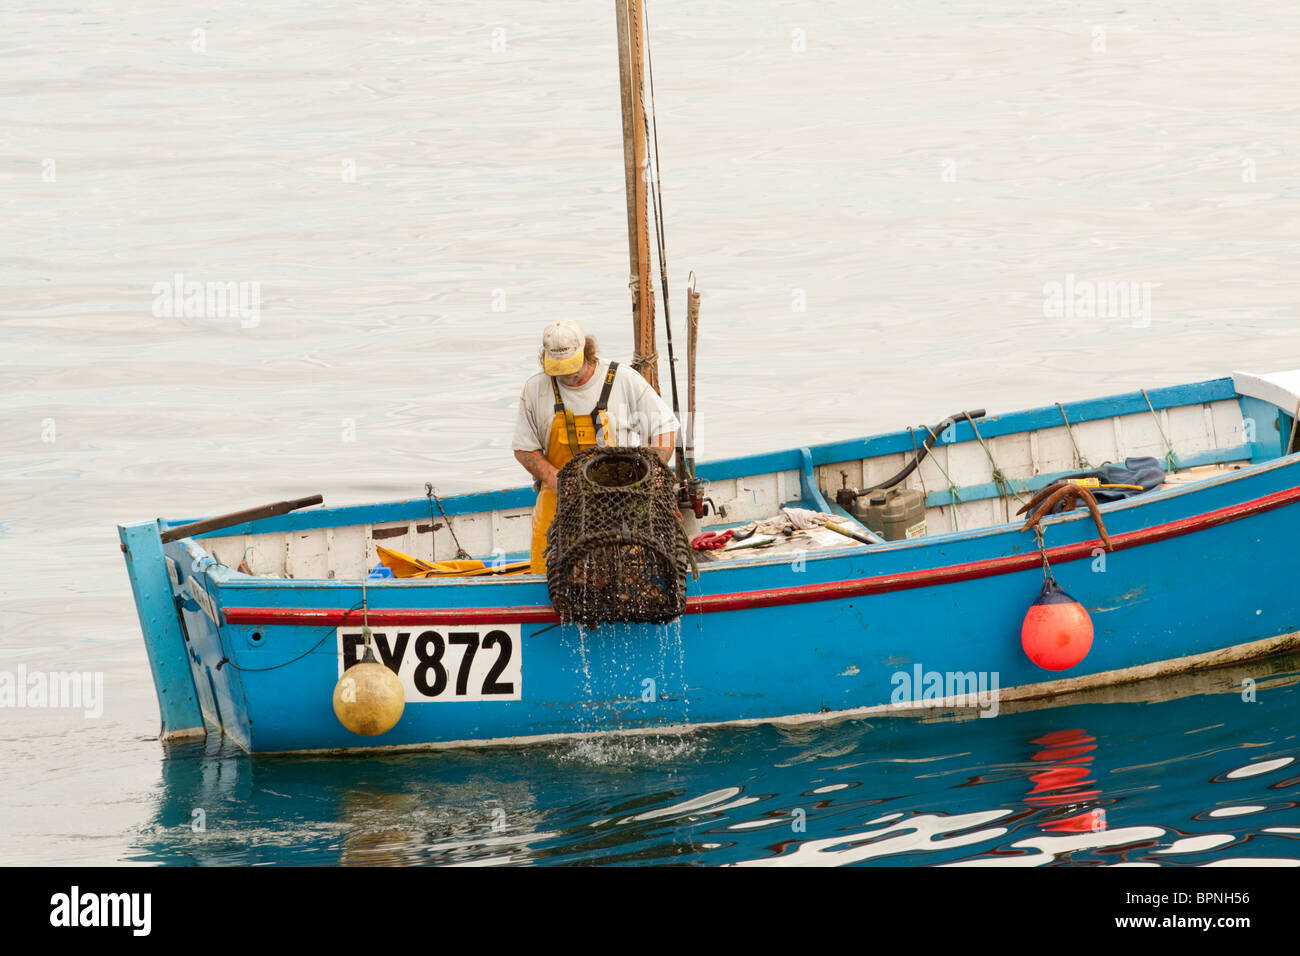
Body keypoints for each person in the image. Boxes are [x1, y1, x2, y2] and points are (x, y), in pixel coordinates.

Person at [513, 320, 678, 573]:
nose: (566, 375)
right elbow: (524, 449)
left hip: (621, 501)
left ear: (587, 352)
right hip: (559, 503)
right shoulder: (536, 389)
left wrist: (652, 471)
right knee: (548, 576)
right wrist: (558, 479)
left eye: (570, 367)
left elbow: (665, 429)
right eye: (558, 368)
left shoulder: (622, 379)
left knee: (625, 572)